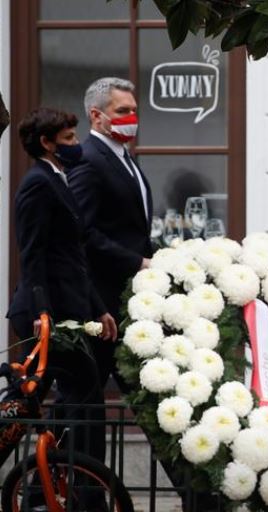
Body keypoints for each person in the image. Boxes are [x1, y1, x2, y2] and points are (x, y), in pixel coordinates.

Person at [7, 107, 117, 508]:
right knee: (77, 396)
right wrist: (42, 313)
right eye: (68, 139)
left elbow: (73, 257)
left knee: (73, 399)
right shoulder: (38, 184)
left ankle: (44, 490)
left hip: (69, 309)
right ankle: (76, 493)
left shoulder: (59, 179)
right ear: (46, 144)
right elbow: (32, 254)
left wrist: (99, 308)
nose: (76, 145)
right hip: (48, 314)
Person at [69, 77, 153, 391]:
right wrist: (138, 262)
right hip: (101, 305)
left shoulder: (124, 158)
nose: (131, 118)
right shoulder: (89, 160)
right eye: (122, 110)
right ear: (96, 115)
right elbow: (83, 232)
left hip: (130, 302)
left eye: (134, 110)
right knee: (86, 399)